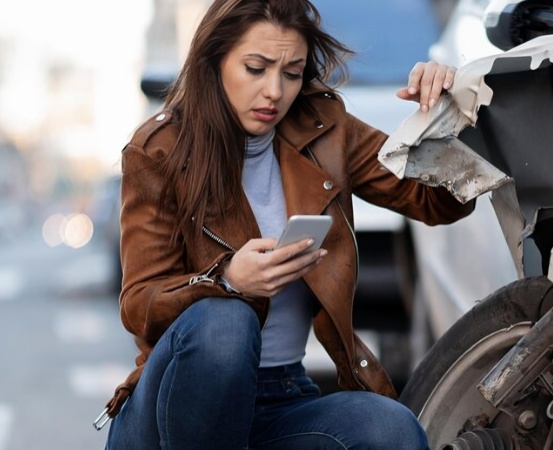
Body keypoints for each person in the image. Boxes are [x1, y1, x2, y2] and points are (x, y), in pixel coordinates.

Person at [101, 0, 474, 448]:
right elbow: (138, 303)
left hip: (283, 398)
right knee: (227, 324)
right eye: (255, 68)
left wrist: (445, 117)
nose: (274, 91)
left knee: (391, 430)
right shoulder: (158, 149)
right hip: (173, 410)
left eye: (292, 72)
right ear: (213, 61)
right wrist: (228, 280)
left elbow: (437, 203)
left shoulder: (323, 128)